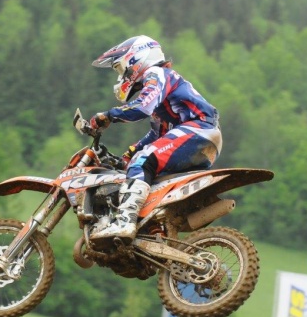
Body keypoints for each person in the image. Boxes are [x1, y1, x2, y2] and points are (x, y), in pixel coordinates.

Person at [76, 35, 223, 241]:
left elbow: (142, 106)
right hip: (203, 137)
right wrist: (127, 156)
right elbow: (157, 135)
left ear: (135, 60)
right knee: (145, 167)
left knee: (143, 161)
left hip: (198, 129)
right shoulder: (163, 94)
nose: (121, 76)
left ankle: (124, 221)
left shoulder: (156, 73)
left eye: (120, 69)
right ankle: (153, 232)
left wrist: (109, 115)